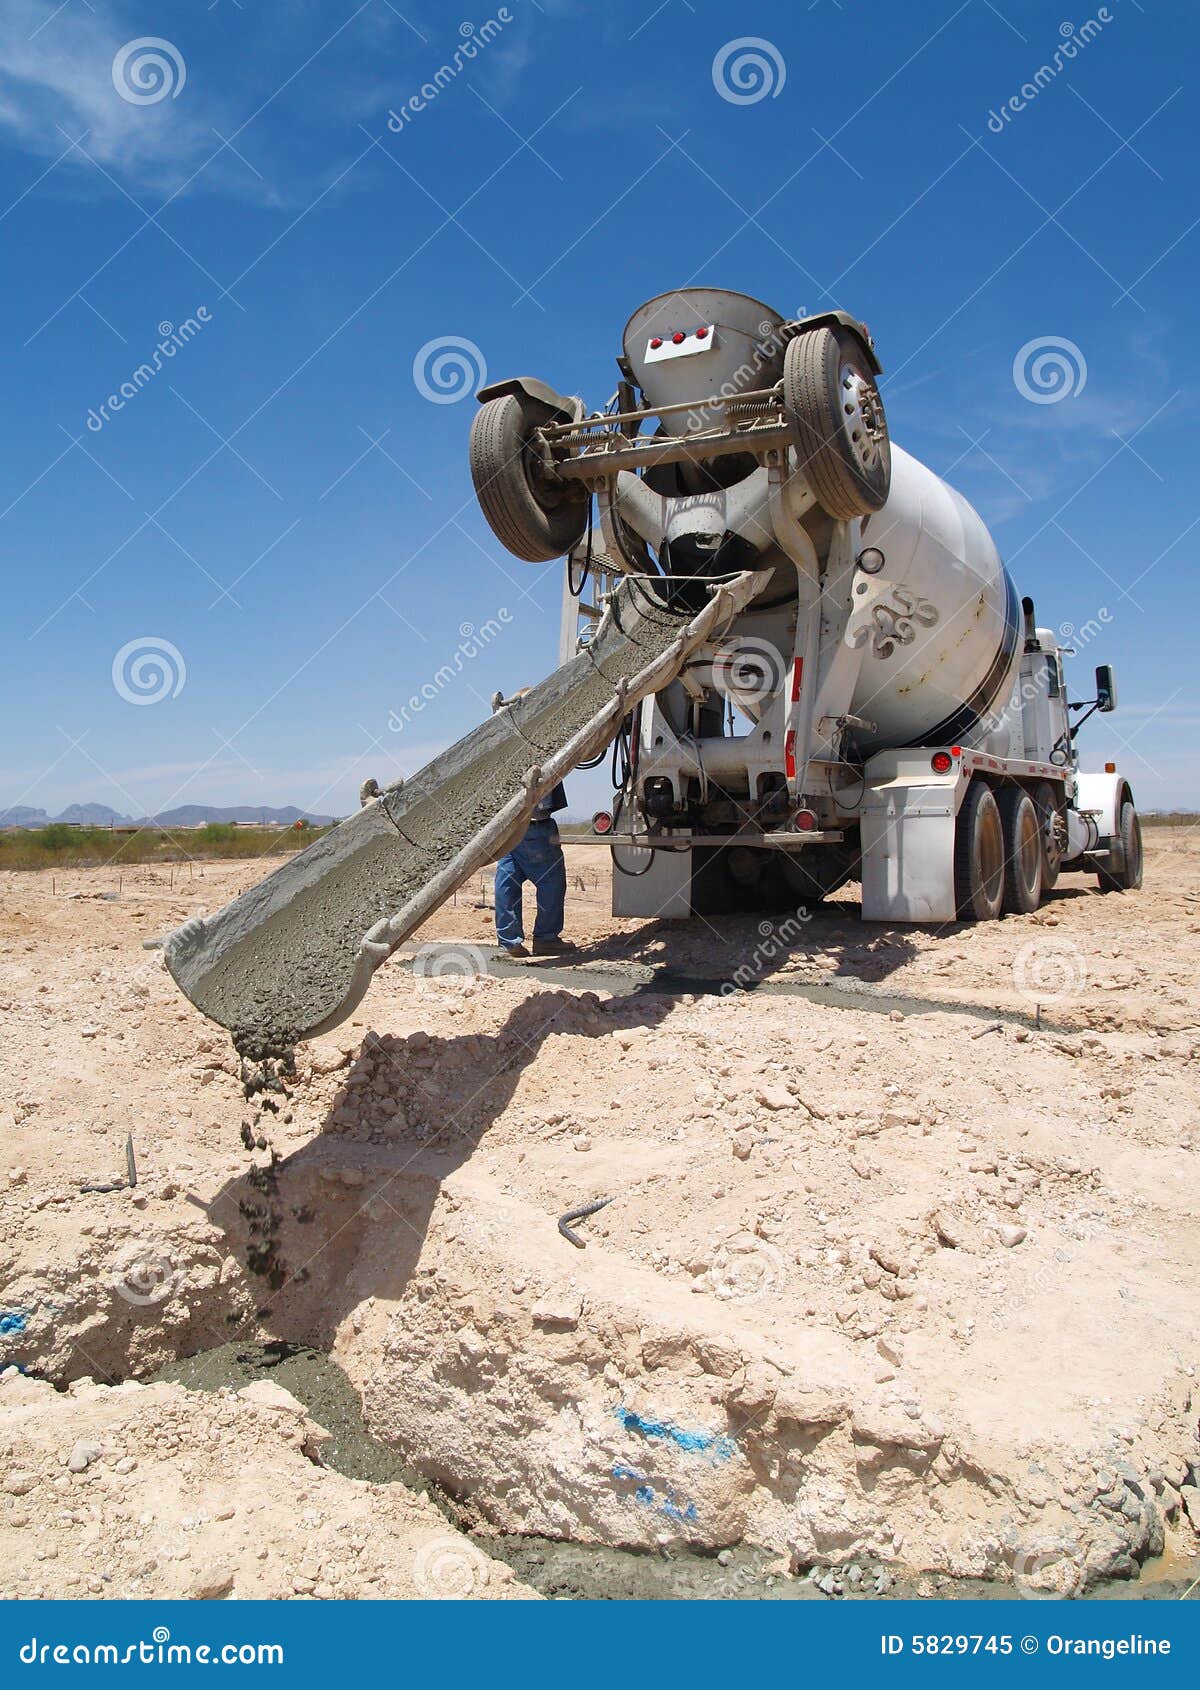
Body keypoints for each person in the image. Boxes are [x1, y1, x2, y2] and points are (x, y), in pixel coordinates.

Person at [494, 777, 577, 957]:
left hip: (507, 824)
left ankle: (509, 942)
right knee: (551, 882)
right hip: (534, 824)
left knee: (508, 880)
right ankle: (546, 939)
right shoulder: (533, 751)